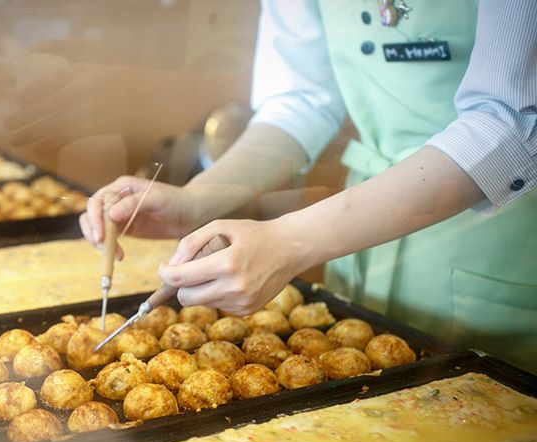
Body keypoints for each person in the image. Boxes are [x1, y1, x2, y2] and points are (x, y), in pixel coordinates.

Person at [80, 0, 537, 373]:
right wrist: (197, 198)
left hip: (496, 236)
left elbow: (510, 122)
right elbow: (301, 99)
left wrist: (292, 239)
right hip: (354, 238)